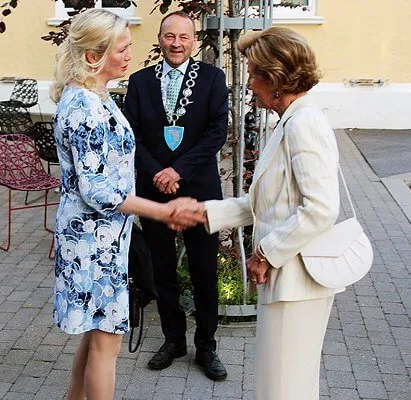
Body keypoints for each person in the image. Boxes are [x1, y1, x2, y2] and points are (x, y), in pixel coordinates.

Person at [50, 9, 206, 400]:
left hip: (102, 239)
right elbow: (99, 191)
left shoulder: (94, 95)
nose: (129, 56)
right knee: (107, 342)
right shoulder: (84, 106)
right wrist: (164, 211)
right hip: (92, 241)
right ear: (92, 56)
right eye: (122, 49)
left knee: (96, 333)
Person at [201, 27, 341, 400]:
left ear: (275, 77)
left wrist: (265, 253)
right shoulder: (291, 121)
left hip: (298, 281)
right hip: (287, 281)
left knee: (284, 389)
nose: (247, 84)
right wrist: (204, 214)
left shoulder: (304, 123)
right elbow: (265, 202)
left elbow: (322, 208)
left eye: (251, 73)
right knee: (280, 385)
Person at [124, 11, 229, 380]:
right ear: (159, 38)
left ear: (194, 40)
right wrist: (157, 172)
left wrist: (179, 170)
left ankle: (206, 347)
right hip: (154, 190)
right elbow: (131, 135)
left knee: (204, 269)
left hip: (199, 190)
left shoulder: (214, 79)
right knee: (161, 267)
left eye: (184, 37)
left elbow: (217, 132)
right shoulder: (139, 82)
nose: (176, 43)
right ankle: (173, 339)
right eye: (170, 36)